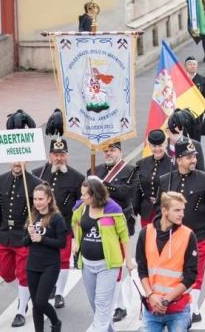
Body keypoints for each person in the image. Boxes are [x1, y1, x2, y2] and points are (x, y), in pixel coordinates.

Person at [158, 137, 205, 323]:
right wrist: (157, 233)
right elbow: (160, 210)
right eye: (188, 157)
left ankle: (191, 309)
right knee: (175, 273)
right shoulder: (166, 181)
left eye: (194, 156)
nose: (193, 160)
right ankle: (178, 305)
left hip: (198, 236)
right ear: (178, 159)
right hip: (173, 237)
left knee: (194, 273)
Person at [31, 138, 85, 310]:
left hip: (64, 226)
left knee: (62, 260)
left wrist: (78, 230)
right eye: (55, 155)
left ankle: (60, 293)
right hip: (42, 225)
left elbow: (81, 205)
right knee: (43, 259)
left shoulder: (77, 177)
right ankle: (49, 286)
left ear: (67, 155)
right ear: (50, 155)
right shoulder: (37, 174)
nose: (59, 158)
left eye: (62, 154)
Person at [72, 177, 131, 332]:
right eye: (82, 194)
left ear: (95, 195)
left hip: (108, 265)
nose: (82, 197)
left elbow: (124, 235)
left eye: (85, 194)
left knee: (102, 302)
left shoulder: (113, 210)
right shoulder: (81, 208)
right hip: (87, 264)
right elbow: (75, 223)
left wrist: (129, 260)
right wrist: (76, 242)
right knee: (94, 303)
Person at [0, 161, 42, 328]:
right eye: (14, 159)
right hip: (5, 233)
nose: (17, 163)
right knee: (5, 273)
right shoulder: (0, 179)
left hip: (24, 234)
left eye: (21, 160)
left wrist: (36, 227)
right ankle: (25, 295)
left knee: (23, 274)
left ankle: (21, 310)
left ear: (26, 161)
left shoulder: (36, 183)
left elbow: (40, 210)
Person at [88, 141, 136, 322]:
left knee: (114, 265)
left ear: (120, 152)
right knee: (104, 265)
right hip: (98, 226)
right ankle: (116, 303)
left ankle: (117, 306)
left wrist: (102, 185)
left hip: (120, 224)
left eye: (112, 150)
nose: (108, 153)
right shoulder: (94, 170)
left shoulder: (130, 170)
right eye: (106, 151)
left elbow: (126, 193)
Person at [136, 192, 198, 331]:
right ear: (164, 211)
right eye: (177, 210)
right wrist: (151, 295)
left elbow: (191, 276)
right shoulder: (146, 233)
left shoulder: (188, 235)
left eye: (182, 210)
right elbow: (142, 269)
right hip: (152, 307)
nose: (181, 214)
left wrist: (166, 300)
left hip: (178, 309)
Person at [23, 183, 66, 332]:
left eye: (40, 199)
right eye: (35, 199)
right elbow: (23, 243)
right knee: (36, 304)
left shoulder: (56, 218)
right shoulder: (32, 216)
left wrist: (42, 239)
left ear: (49, 199)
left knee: (41, 301)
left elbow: (62, 243)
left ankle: (56, 323)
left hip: (50, 265)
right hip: (33, 265)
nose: (37, 202)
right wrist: (29, 234)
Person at [134, 129, 173, 228]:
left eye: (160, 145)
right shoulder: (141, 164)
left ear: (165, 144)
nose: (157, 149)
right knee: (147, 240)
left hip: (166, 211)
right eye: (154, 146)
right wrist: (134, 209)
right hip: (147, 212)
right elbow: (137, 189)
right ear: (149, 145)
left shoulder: (173, 164)